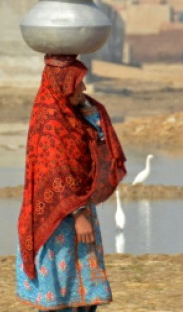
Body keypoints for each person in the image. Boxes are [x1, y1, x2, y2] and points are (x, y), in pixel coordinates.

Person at [16, 54, 127, 311]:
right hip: (58, 221)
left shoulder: (69, 114)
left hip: (77, 213)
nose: (84, 88)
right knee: (62, 297)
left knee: (84, 298)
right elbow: (56, 172)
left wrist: (83, 104)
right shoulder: (51, 122)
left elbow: (97, 131)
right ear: (64, 84)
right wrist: (78, 216)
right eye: (78, 83)